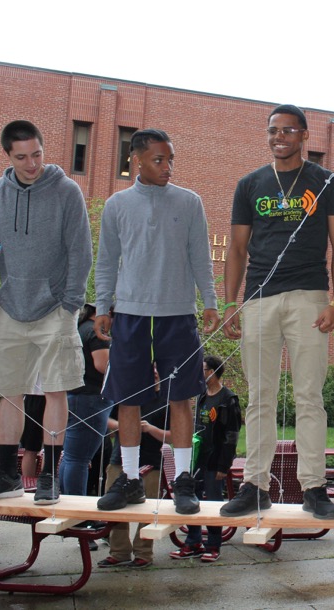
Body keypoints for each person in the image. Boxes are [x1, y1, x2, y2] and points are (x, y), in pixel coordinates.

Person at [220, 104, 334, 520]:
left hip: (309, 296)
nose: (279, 137)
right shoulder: (250, 184)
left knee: (309, 397)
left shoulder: (326, 182)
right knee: (259, 398)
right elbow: (236, 249)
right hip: (258, 299)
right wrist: (230, 302)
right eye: (273, 130)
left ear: (305, 136)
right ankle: (255, 485)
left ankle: (315, 487)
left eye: (289, 130)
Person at [94, 128, 219, 515]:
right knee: (128, 399)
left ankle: (183, 482)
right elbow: (107, 261)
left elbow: (201, 257)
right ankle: (129, 480)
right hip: (129, 315)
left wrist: (210, 303)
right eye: (159, 160)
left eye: (170, 160)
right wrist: (102, 306)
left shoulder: (190, 202)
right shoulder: (117, 205)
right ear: (137, 160)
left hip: (178, 315)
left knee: (181, 398)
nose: (167, 167)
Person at [0, 120, 92, 505]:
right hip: (12, 308)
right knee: (8, 391)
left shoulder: (66, 191)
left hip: (56, 309)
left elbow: (81, 251)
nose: (32, 164)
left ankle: (49, 476)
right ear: (8, 156)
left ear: (44, 149)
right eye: (22, 157)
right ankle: (9, 472)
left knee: (55, 390)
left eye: (37, 154)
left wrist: (70, 304)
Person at [171, 355, 241, 562]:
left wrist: (224, 464)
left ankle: (213, 544)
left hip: (215, 460)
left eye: (202, 370)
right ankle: (193, 542)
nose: (199, 374)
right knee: (192, 499)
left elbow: (232, 435)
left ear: (212, 372)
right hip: (197, 458)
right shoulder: (202, 396)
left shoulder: (228, 399)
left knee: (212, 502)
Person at [97, 378, 170, 569]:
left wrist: (150, 429)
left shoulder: (167, 400)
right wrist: (124, 425)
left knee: (148, 511)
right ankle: (119, 552)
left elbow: (175, 434)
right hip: (119, 459)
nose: (153, 373)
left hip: (151, 462)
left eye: (156, 370)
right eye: (149, 370)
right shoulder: (127, 394)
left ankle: (144, 553)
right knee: (114, 507)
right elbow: (106, 418)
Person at [60, 303, 114, 496]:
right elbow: (103, 365)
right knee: (78, 459)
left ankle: (67, 504)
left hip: (76, 394)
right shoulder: (98, 332)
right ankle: (77, 513)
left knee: (71, 457)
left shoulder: (80, 329)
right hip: (91, 398)